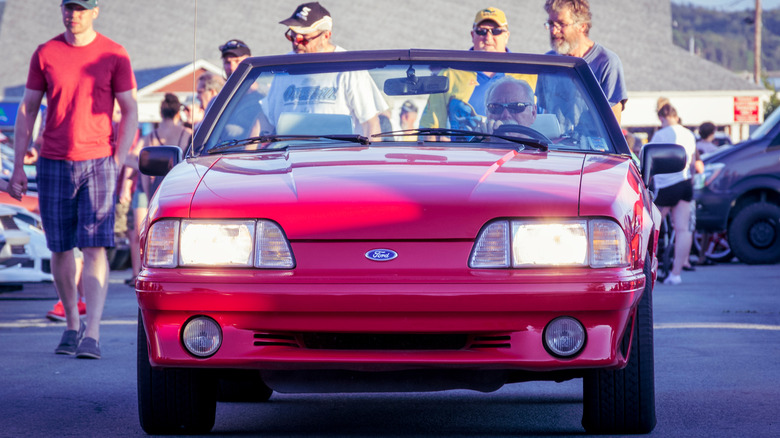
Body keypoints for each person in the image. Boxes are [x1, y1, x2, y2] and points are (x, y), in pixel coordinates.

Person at [8, 0, 138, 358]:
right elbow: (27, 108)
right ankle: (71, 324)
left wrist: (116, 156)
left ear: (95, 11)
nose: (73, 14)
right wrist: (18, 166)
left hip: (98, 161)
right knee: (60, 247)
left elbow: (130, 109)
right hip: (52, 160)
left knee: (94, 246)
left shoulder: (114, 54)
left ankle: (93, 331)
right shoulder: (46, 53)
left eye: (81, 8)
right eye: (68, 6)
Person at [259, 2, 387, 137]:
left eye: (304, 38)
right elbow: (266, 118)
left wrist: (367, 156)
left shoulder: (349, 67)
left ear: (326, 36)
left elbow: (370, 123)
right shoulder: (284, 67)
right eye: (292, 36)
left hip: (337, 154)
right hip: (289, 153)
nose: (296, 43)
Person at [419, 8, 536, 132]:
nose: (488, 37)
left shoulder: (530, 73)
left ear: (506, 35)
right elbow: (431, 129)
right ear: (472, 35)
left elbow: (550, 123)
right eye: (482, 31)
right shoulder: (449, 75)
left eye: (496, 31)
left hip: (522, 149)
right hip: (465, 150)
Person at [123, 94, 191, 286]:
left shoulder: (149, 136)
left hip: (147, 187)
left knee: (141, 234)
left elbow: (130, 158)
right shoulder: (186, 134)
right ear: (178, 113)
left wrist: (142, 166)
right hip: (174, 188)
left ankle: (139, 272)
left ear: (161, 113)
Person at [543, 0, 627, 124]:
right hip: (553, 143)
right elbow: (542, 115)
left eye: (561, 24)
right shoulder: (548, 63)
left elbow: (613, 126)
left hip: (590, 143)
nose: (554, 31)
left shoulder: (607, 63)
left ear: (582, 26)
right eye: (551, 24)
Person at [646, 101, 698, 285]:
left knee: (651, 226)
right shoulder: (689, 134)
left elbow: (649, 160)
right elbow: (692, 162)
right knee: (683, 229)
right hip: (685, 182)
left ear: (661, 118)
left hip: (667, 185)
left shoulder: (660, 135)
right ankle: (676, 274)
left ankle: (647, 267)